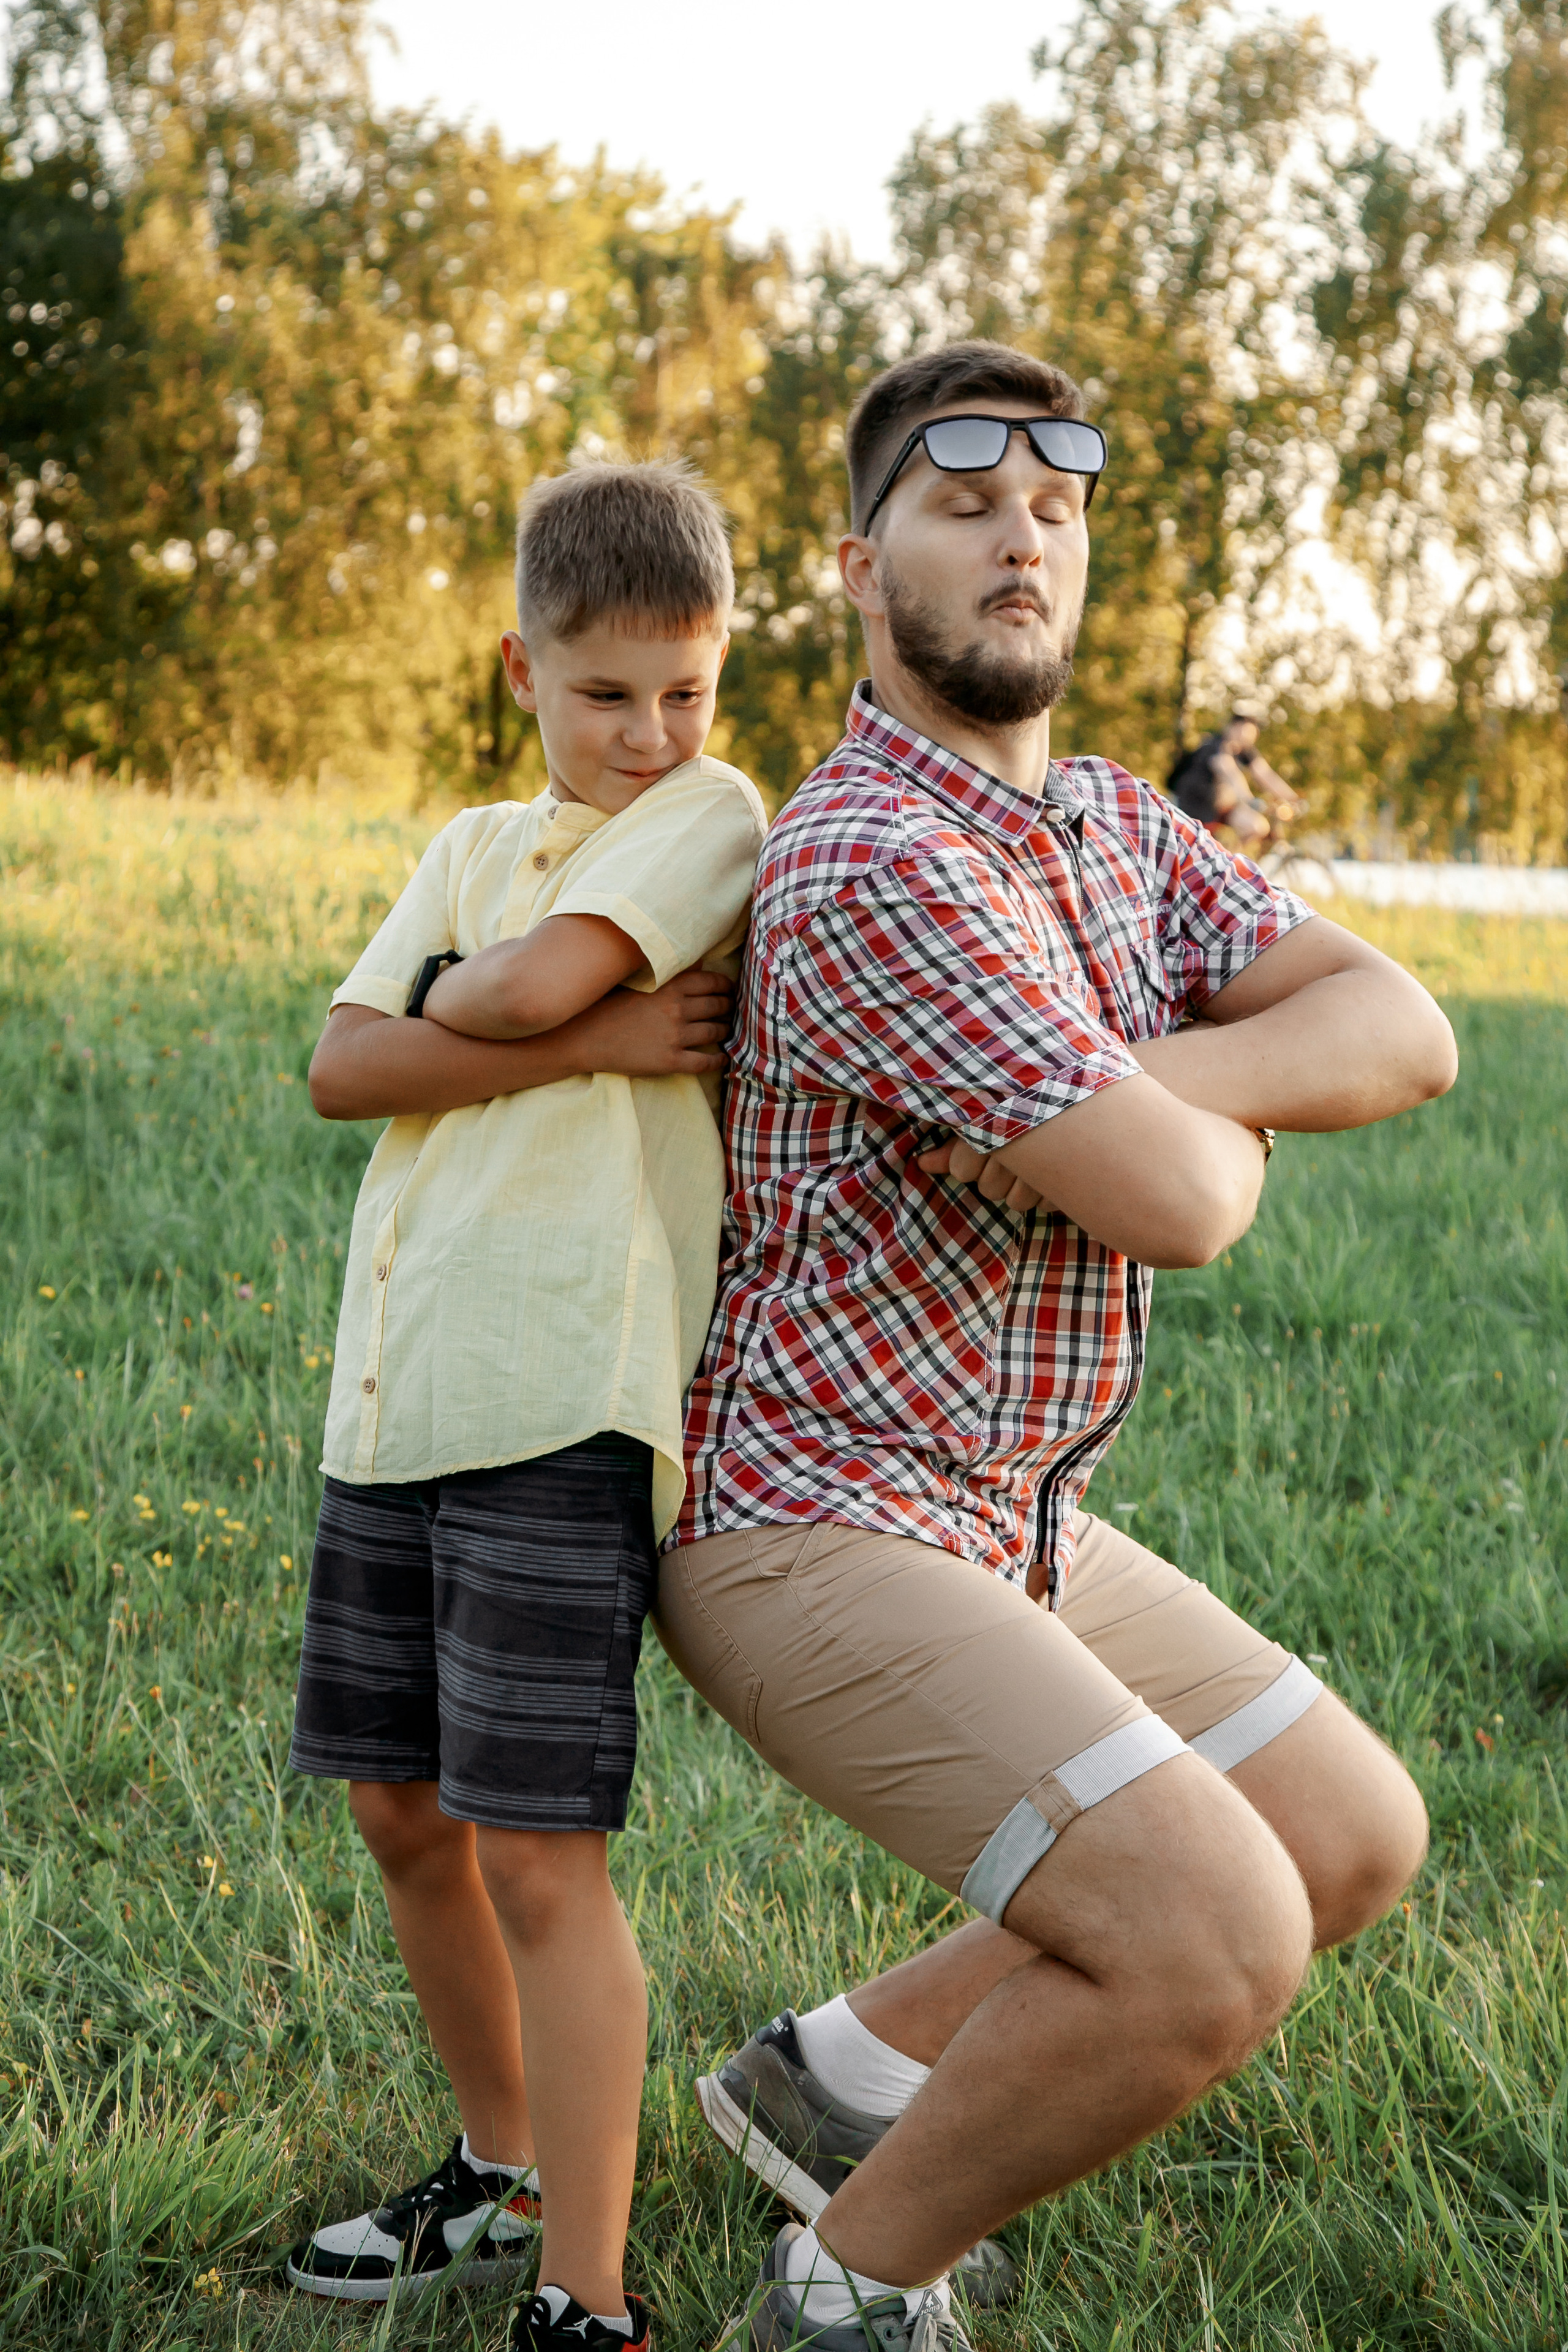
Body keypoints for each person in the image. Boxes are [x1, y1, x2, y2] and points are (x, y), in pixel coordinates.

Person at [655, 342, 1457, 2352]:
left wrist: (1137, 1080)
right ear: (861, 565)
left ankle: (831, 2081)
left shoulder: (1111, 826)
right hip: (805, 1516)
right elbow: (1193, 1202)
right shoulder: (871, 858)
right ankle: (848, 2289)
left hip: (1008, 1501)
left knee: (1347, 1837)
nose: (1024, 531)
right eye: (963, 498)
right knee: (1209, 1933)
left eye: (1061, 506)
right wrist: (1204, 1125)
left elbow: (1406, 1028)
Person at [282, 458, 767, 2352]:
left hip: (561, 1396)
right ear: (520, 670)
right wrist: (574, 1031)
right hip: (394, 1395)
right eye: (603, 695)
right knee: (402, 1809)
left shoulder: (711, 814)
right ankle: (499, 2171)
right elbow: (342, 1064)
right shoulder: (475, 835)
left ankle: (589, 2294)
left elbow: (508, 986)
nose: (648, 735)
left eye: (684, 689)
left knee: (537, 1849)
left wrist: (494, 1005)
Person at [1169, 705, 1306, 850]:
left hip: (1222, 808)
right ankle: (1221, 863)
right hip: (1197, 808)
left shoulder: (1243, 751)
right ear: (1232, 728)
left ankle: (1232, 860)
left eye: (1251, 735)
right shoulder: (1215, 746)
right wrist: (1249, 799)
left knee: (1258, 827)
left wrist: (1294, 799)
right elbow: (1231, 773)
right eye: (1244, 733)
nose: (1246, 739)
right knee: (1201, 847)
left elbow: (1265, 774)